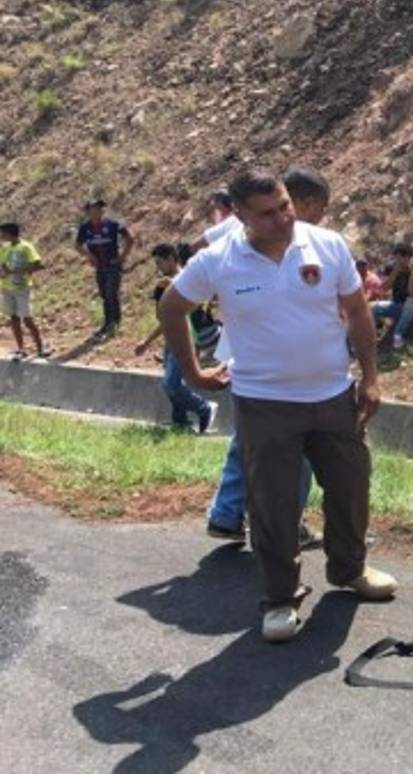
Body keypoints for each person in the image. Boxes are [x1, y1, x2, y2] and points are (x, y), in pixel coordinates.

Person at [159, 169, 396, 643]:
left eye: (285, 205)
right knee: (273, 505)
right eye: (267, 213)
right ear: (241, 215)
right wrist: (192, 372)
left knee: (350, 487)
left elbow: (357, 310)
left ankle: (350, 570)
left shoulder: (326, 245)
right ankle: (280, 599)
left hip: (332, 396)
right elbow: (171, 308)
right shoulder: (219, 260)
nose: (282, 218)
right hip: (264, 403)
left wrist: (370, 379)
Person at [206, 169, 330, 550]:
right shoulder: (270, 238)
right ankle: (285, 524)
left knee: (249, 439)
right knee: (302, 444)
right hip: (271, 362)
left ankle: (227, 514)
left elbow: (202, 243)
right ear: (306, 203)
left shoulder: (245, 231)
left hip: (246, 355)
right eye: (321, 209)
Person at [134, 244, 219, 433]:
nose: (159, 267)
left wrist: (172, 287)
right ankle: (180, 421)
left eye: (161, 262)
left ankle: (204, 407)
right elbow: (164, 318)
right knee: (172, 384)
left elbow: (199, 306)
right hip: (172, 339)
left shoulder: (190, 280)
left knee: (171, 384)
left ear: (172, 258)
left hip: (189, 339)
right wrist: (147, 342)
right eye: (156, 263)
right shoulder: (162, 285)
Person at [75, 198, 134, 338]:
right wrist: (89, 256)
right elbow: (77, 245)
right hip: (99, 267)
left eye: (99, 209)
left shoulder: (113, 224)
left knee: (111, 293)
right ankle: (109, 323)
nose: (97, 212)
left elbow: (130, 238)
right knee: (104, 295)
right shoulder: (85, 228)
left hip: (113, 264)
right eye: (93, 209)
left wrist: (123, 256)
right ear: (88, 211)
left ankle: (113, 323)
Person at [0, 222, 48, 359]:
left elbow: (39, 265)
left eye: (3, 233)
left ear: (10, 234)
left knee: (27, 319)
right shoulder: (5, 248)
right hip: (6, 288)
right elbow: (3, 266)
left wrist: (17, 271)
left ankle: (40, 348)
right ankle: (21, 349)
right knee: (13, 318)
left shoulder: (26, 247)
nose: (1, 236)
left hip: (22, 288)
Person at [370, 242, 413, 350]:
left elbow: (412, 293)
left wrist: (412, 273)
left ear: (410, 258)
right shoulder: (391, 268)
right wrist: (395, 271)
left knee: (409, 303)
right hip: (398, 305)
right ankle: (371, 334)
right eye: (397, 258)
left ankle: (398, 335)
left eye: (403, 258)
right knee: (373, 308)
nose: (400, 261)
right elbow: (384, 288)